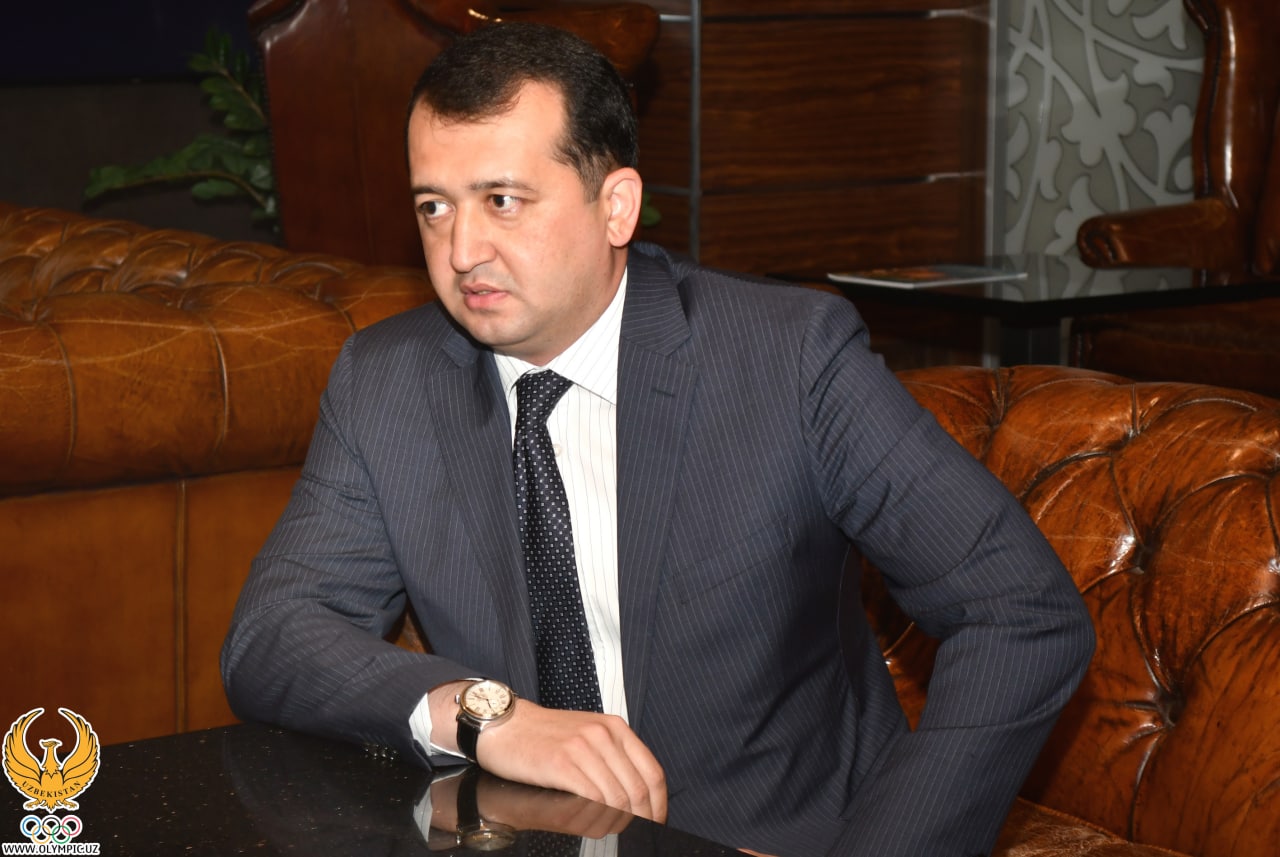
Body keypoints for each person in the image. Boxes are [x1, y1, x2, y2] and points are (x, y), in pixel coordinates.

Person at [221, 21, 1094, 857]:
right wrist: (486, 714)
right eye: (434, 207)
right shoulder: (389, 381)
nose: (461, 250)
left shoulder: (786, 357)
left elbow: (1020, 612)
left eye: (502, 200)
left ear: (617, 206)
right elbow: (274, 634)